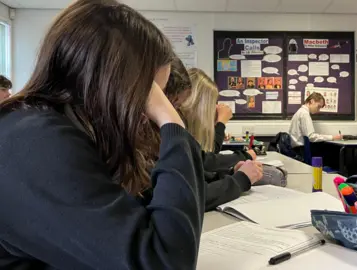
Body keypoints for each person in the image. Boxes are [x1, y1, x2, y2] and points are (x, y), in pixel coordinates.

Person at [0, 1, 205, 269]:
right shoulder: (35, 143)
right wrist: (172, 123)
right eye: (151, 98)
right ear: (117, 85)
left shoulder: (52, 127)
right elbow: (162, 261)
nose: (148, 115)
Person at [181, 68, 263, 210]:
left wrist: (231, 174)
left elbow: (201, 173)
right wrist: (240, 179)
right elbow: (192, 196)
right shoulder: (172, 140)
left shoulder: (183, 139)